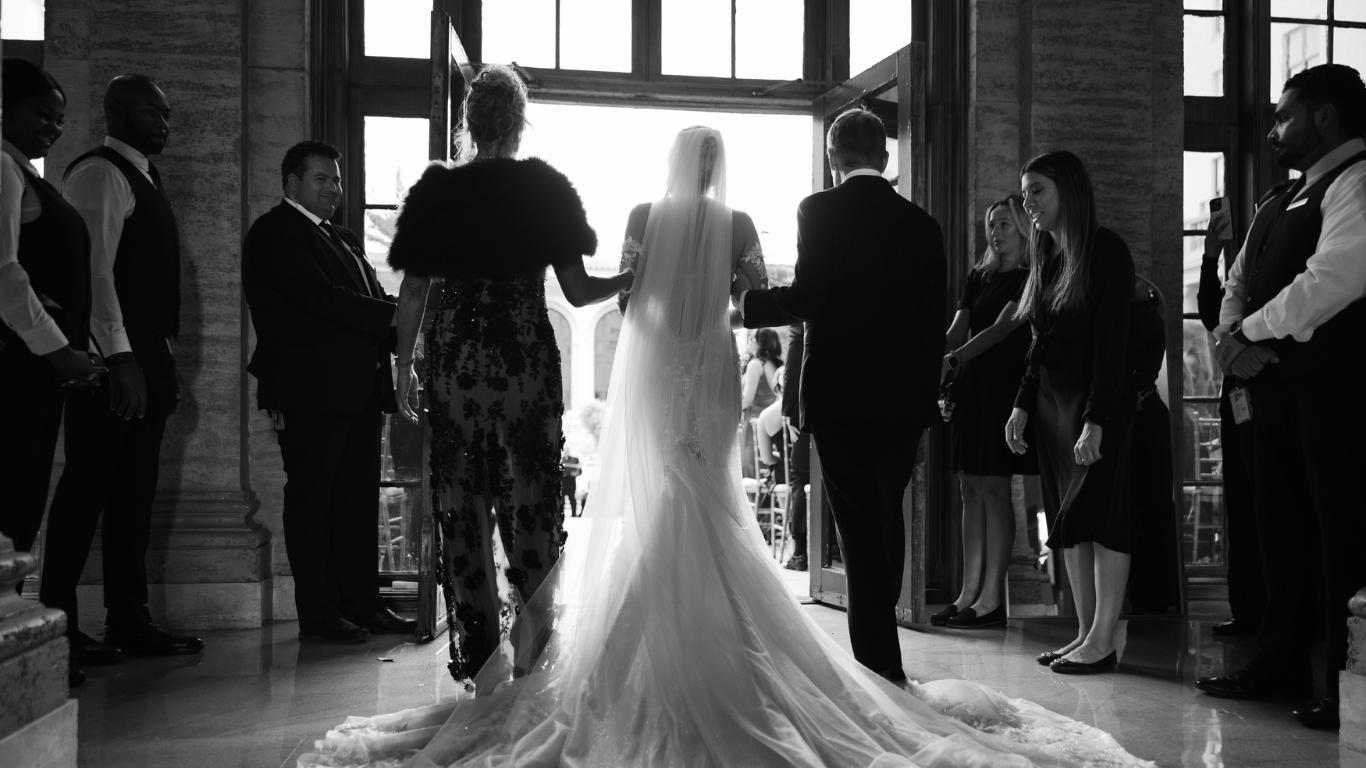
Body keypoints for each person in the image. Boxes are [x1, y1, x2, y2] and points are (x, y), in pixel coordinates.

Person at [300, 120, 1150, 768]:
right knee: (717, 497)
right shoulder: (764, 219)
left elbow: (641, 300)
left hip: (669, 362)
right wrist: (746, 313)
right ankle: (812, 652)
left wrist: (682, 312)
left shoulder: (646, 213)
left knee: (668, 500)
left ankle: (633, 657)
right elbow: (757, 299)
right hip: (717, 369)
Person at [388, 64, 631, 681]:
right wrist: (630, 277)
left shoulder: (437, 189)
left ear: (469, 124)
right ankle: (533, 658)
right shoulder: (545, 188)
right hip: (524, 361)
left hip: (458, 365)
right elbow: (576, 292)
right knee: (531, 503)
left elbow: (414, 291)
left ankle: (482, 665)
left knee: (462, 508)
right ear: (521, 122)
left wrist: (403, 372)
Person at [1197, 63, 1366, 731]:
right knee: (1280, 536)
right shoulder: (1276, 199)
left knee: (1340, 536)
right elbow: (1238, 277)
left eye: (1286, 116)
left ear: (1326, 117)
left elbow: (1337, 277)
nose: (1273, 130)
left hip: (1334, 396)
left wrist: (1249, 331)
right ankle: (1280, 662)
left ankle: (1345, 681)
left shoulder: (1356, 181)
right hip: (1267, 397)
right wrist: (1231, 334)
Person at [40, 74, 202, 665]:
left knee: (133, 495)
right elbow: (94, 274)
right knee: (86, 490)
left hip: (144, 354)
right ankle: (56, 629)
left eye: (166, 113)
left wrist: (158, 361)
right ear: (116, 112)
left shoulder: (143, 175)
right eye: (150, 112)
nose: (163, 122)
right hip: (113, 360)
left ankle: (129, 620)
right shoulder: (99, 173)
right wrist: (123, 358)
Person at [242, 140, 414, 644]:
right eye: (321, 179)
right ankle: (319, 614)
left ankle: (362, 604)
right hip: (308, 392)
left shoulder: (338, 235)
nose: (333, 189)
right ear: (291, 182)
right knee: (313, 503)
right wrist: (394, 317)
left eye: (337, 181)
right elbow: (320, 299)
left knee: (356, 504)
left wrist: (407, 324)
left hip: (357, 391)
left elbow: (368, 295)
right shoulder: (275, 233)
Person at [1005, 150, 1135, 675]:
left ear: (1068, 192)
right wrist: (1019, 405)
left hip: (1093, 404)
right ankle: (1084, 633)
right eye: (1026, 191)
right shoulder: (1048, 255)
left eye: (1038, 190)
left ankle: (1104, 639)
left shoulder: (1106, 252)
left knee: (1103, 520)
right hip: (1053, 408)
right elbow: (1038, 342)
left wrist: (1097, 417)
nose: (1028, 202)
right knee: (1070, 522)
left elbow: (1113, 347)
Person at [0, 59, 104, 557]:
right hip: (18, 364)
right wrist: (61, 351)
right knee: (12, 499)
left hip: (33, 364)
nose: (55, 129)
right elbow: (3, 272)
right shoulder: (1, 166)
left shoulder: (18, 169)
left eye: (60, 119)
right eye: (42, 114)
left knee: (23, 496)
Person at [935, 195, 1035, 629]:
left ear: (1022, 230)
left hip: (1003, 388)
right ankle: (967, 593)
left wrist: (953, 360)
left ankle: (993, 599)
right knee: (969, 489)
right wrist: (935, 352)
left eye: (1005, 225)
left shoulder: (1032, 277)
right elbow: (959, 327)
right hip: (972, 389)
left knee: (995, 489)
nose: (995, 233)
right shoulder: (979, 276)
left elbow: (1000, 331)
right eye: (991, 225)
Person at [1197, 200, 1264, 636]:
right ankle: (1246, 610)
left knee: (1271, 510)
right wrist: (1209, 256)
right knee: (1239, 507)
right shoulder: (1237, 284)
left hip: (1270, 400)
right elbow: (1209, 308)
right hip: (1237, 402)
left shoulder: (1274, 278)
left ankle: (1281, 612)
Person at [1124, 278, 1180, 615]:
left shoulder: (1143, 317)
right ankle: (1150, 592)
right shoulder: (1141, 315)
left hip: (1143, 418)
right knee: (1147, 507)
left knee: (1150, 507)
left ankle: (1155, 593)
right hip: (1142, 415)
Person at [781, 321, 810, 571]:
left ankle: (800, 552)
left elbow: (793, 361)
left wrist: (789, 411)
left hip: (806, 407)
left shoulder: (802, 305)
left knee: (799, 478)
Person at [740, 327, 781, 477]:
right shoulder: (772, 364)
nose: (750, 341)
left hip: (754, 424)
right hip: (772, 425)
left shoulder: (755, 365)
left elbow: (747, 399)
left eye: (753, 338)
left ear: (761, 342)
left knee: (751, 465)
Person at [562, 452, 582, 518]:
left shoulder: (575, 460)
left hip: (571, 484)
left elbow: (579, 471)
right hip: (563, 484)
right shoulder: (561, 460)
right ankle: (561, 514)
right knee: (561, 501)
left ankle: (573, 514)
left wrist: (576, 472)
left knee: (572, 500)